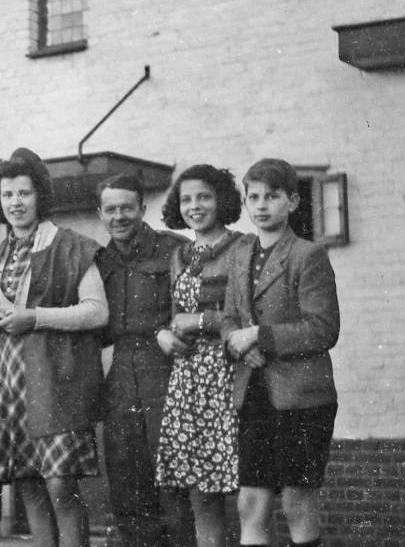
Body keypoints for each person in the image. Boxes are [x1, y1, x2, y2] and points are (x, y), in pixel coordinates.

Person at [0, 147, 108, 547]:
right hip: (13, 380)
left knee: (60, 485)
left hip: (56, 379)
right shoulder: (2, 252)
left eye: (24, 193)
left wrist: (34, 317)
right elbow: (5, 307)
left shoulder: (71, 244)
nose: (15, 202)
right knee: (29, 482)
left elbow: (96, 312)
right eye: (7, 194)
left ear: (40, 196)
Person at [221, 159, 340, 547]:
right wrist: (240, 347)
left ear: (293, 201)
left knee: (296, 501)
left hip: (302, 399)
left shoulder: (308, 255)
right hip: (253, 393)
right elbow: (228, 320)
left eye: (271, 196)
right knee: (250, 503)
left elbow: (323, 329)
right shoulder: (240, 254)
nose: (261, 205)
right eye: (253, 197)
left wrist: (260, 336)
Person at [95, 174, 194, 547]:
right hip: (120, 374)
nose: (119, 216)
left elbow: (199, 306)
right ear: (100, 213)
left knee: (174, 481)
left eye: (127, 208)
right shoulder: (99, 261)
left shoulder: (175, 250)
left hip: (167, 370)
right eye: (111, 209)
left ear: (142, 208)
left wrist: (166, 330)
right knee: (126, 482)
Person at [153, 164, 246, 547]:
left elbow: (248, 317)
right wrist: (164, 333)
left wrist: (201, 321)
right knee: (201, 492)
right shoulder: (180, 255)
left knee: (247, 493)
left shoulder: (243, 248)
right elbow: (172, 315)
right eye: (187, 199)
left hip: (231, 374)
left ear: (221, 200)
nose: (195, 206)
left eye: (204, 197)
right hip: (188, 379)